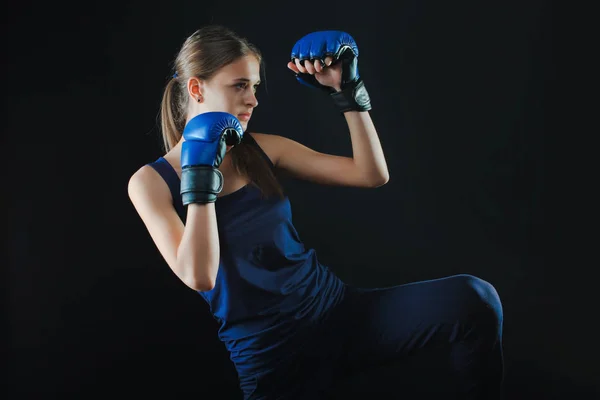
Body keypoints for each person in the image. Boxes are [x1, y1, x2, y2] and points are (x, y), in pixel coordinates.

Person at [127, 25, 504, 399]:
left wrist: (348, 95)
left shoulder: (262, 148)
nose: (253, 100)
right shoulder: (151, 182)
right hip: (272, 359)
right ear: (196, 88)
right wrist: (199, 175)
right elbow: (199, 275)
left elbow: (371, 174)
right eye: (240, 85)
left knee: (474, 299)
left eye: (255, 87)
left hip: (337, 314)